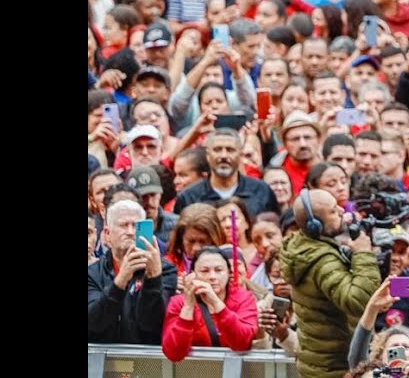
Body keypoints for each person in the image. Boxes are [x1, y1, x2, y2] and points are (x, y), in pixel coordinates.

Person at [279, 188, 382, 378]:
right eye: (334, 211)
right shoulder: (322, 262)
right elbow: (359, 301)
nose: (342, 212)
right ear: (314, 226)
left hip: (318, 365)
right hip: (335, 369)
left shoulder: (302, 247)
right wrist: (363, 254)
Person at [89, 199, 178, 344]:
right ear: (107, 234)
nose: (130, 232)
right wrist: (121, 281)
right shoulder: (92, 273)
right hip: (101, 360)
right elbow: (94, 322)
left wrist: (153, 278)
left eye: (136, 226)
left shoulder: (165, 269)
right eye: (124, 225)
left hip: (146, 360)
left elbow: (150, 324)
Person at [161, 246, 258, 360]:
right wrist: (188, 307)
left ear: (228, 273)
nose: (212, 277)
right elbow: (173, 353)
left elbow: (242, 343)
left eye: (218, 270)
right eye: (205, 271)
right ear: (193, 274)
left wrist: (216, 303)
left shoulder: (244, 298)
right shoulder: (179, 302)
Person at [173, 128, 281, 217]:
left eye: (230, 150)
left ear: (240, 154)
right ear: (208, 155)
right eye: (217, 149)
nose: (224, 156)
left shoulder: (261, 191)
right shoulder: (188, 197)